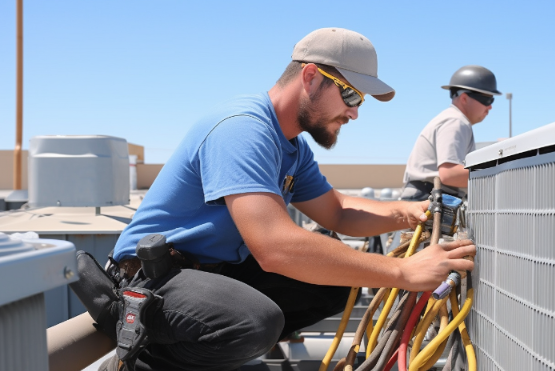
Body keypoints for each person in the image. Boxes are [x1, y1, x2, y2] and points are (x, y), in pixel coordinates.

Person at [97, 28, 477, 371]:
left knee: (336, 283)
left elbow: (338, 211)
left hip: (208, 273)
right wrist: (403, 272)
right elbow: (275, 247)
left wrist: (409, 214)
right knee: (252, 320)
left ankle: (216, 351)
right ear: (310, 76)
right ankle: (138, 363)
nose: (355, 112)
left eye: (359, 99)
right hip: (148, 283)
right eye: (349, 94)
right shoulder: (243, 129)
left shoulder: (291, 148)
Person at [401, 65, 501, 201]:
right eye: (487, 99)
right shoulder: (455, 122)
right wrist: (499, 172)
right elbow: (450, 174)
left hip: (427, 197)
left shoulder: (452, 119)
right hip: (427, 201)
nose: (490, 106)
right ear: (464, 98)